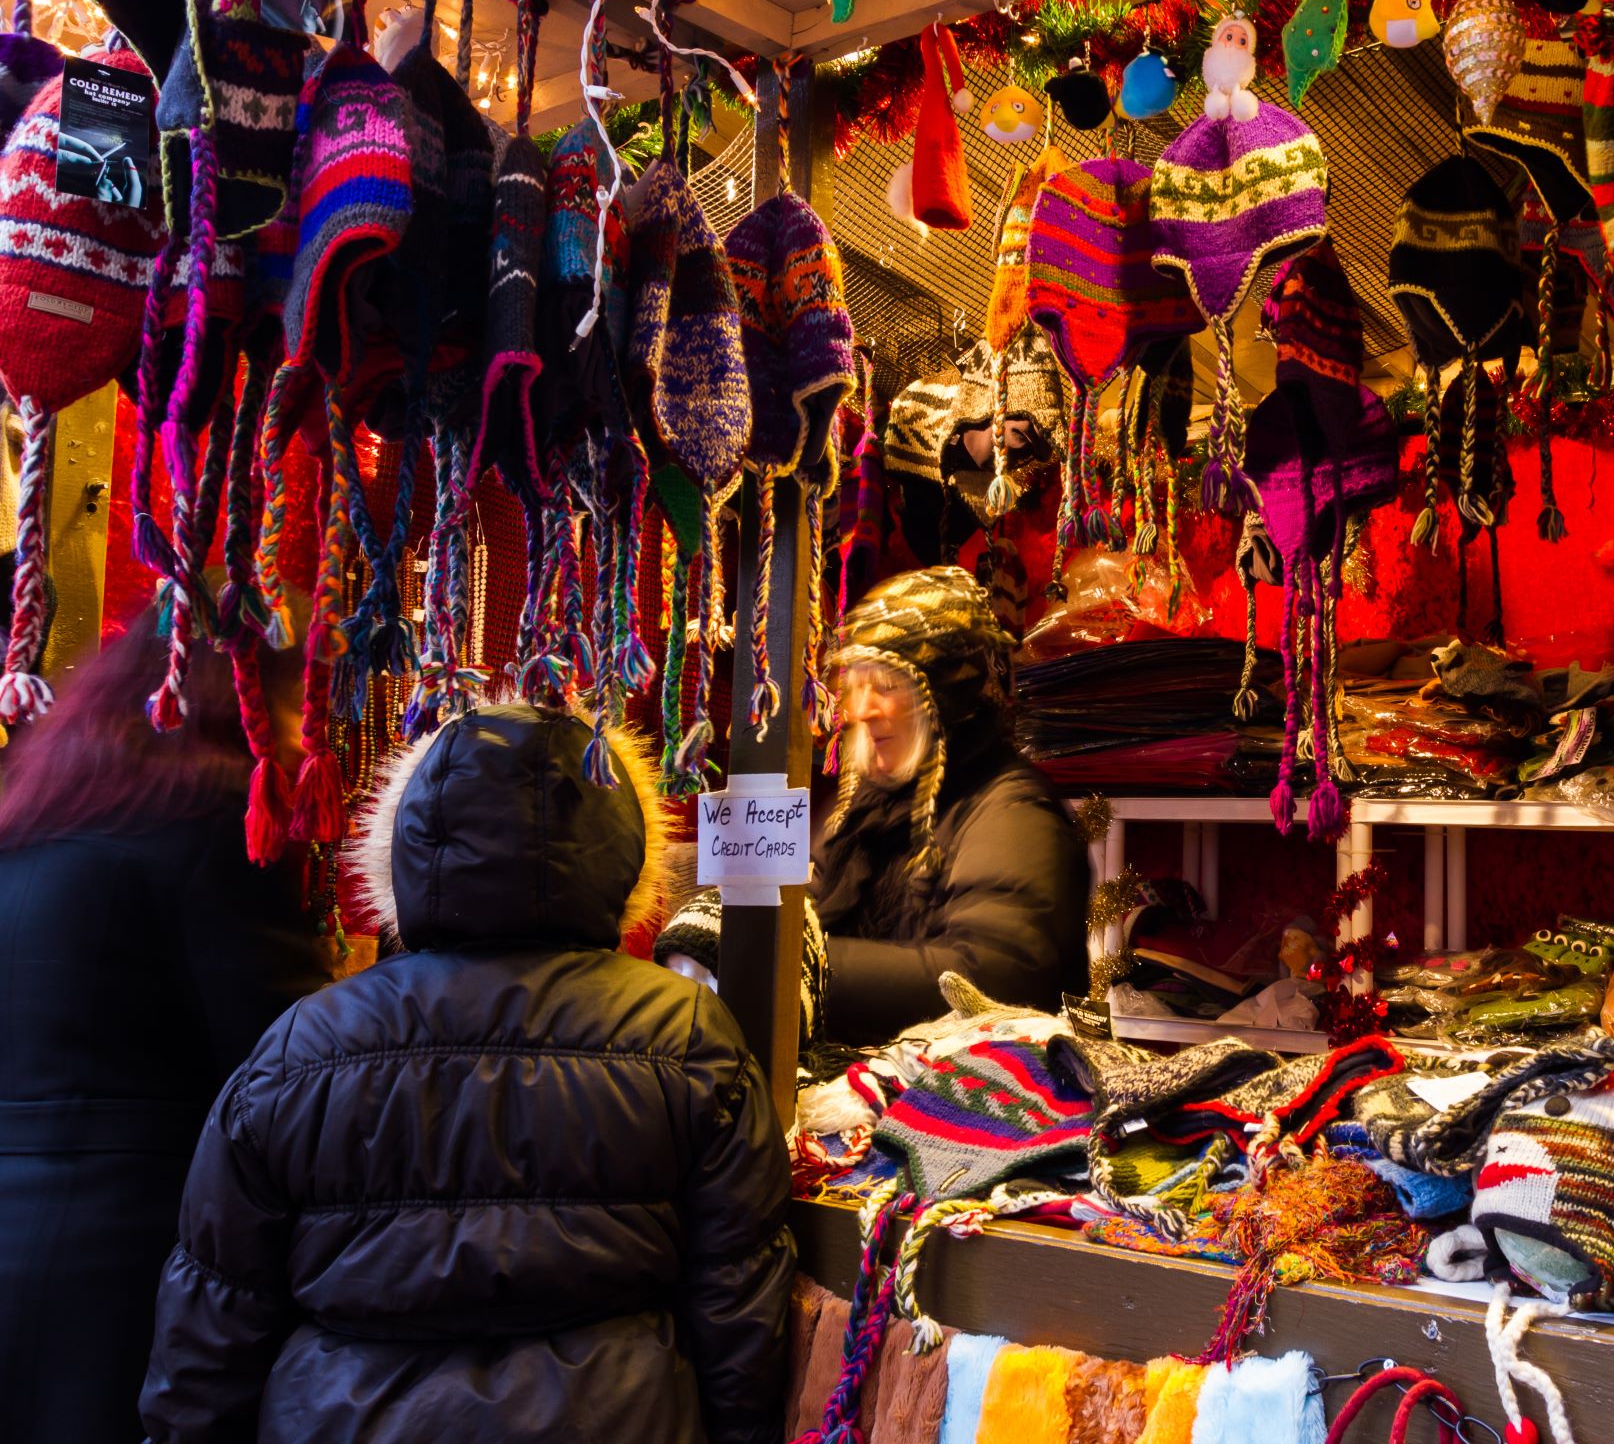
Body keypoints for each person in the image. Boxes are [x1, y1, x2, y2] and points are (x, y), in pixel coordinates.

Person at [139, 703, 796, 1444]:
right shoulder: (686, 1037)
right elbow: (738, 1304)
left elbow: (217, 1308)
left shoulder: (304, 1046)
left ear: (409, 844)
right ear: (619, 848)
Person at [0, 611, 328, 1444]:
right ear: (245, 698)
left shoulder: (32, 814)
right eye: (296, 706)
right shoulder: (211, 814)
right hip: (129, 1245)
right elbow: (280, 1063)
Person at [812, 565, 1088, 1045]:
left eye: (886, 685)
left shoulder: (1013, 810)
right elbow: (805, 907)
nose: (860, 710)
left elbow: (995, 976)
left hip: (972, 1103)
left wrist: (804, 964)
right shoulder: (861, 808)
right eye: (855, 686)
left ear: (939, 698)